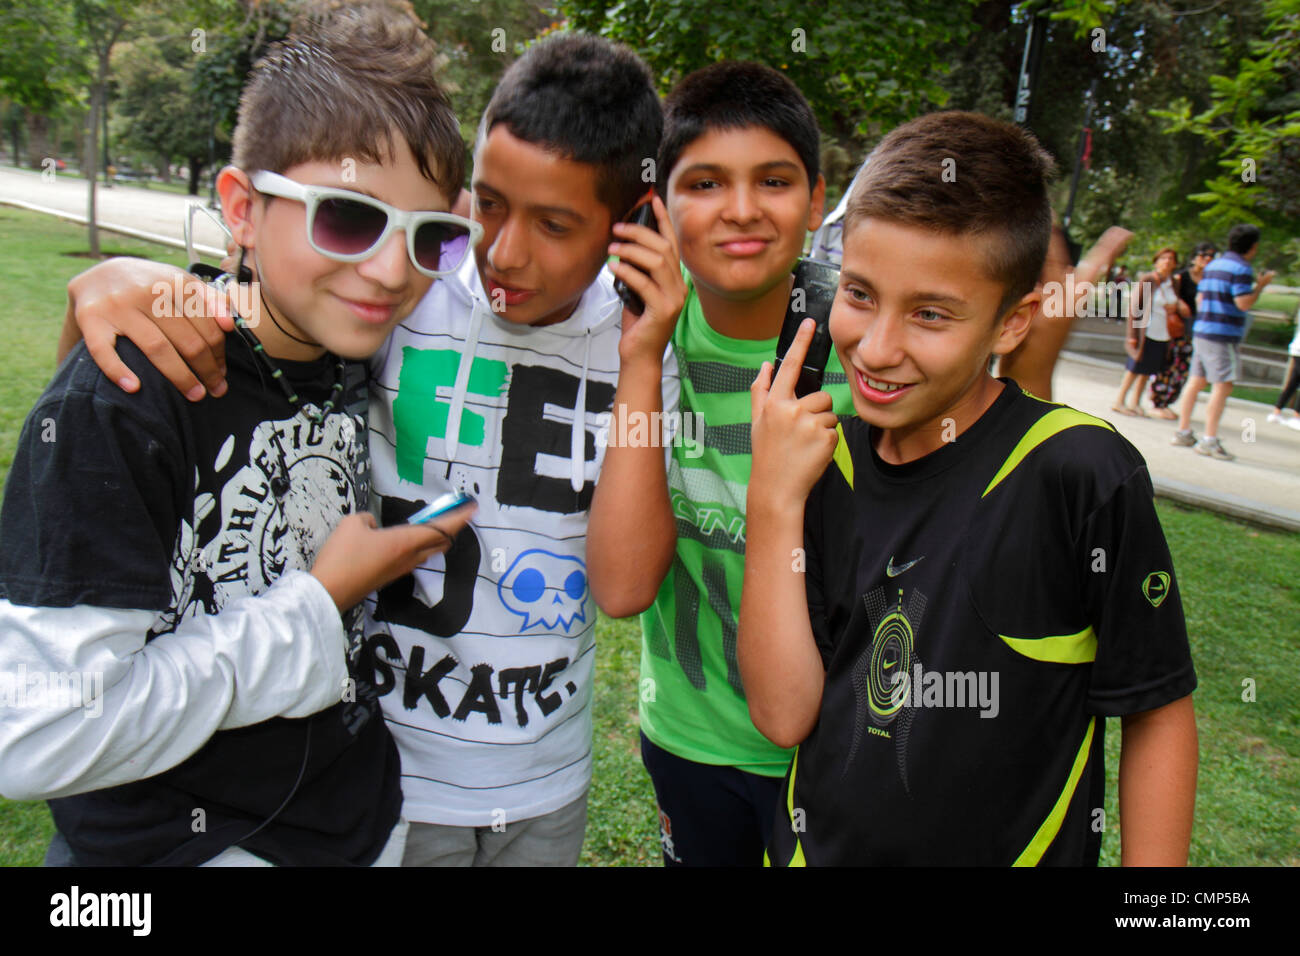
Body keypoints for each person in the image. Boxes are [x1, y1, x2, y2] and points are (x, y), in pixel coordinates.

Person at [56, 33, 684, 866]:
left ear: (630, 222)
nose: (502, 251)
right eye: (487, 205)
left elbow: (627, 584)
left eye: (555, 224)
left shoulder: (641, 347)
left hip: (540, 777)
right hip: (385, 772)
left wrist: (642, 362)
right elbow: (255, 316)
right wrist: (116, 284)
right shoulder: (409, 284)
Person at [0, 9, 476, 866]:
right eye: (347, 218)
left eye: (429, 234)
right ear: (242, 208)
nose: (391, 269)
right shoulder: (130, 398)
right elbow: (39, 735)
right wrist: (315, 603)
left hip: (355, 822)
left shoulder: (350, 342)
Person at [741, 111, 1198, 866]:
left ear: (1012, 323)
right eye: (858, 294)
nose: (877, 347)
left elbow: (1156, 707)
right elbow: (784, 714)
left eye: (929, 313)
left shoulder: (1079, 473)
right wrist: (773, 500)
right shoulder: (824, 459)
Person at [588, 62, 850, 867]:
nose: (741, 210)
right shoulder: (623, 336)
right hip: (693, 742)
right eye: (704, 183)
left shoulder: (871, 351)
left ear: (815, 199)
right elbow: (625, 588)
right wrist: (644, 355)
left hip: (845, 743)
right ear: (660, 207)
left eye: (773, 180)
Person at [1172, 224, 1277, 460]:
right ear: (1253, 246)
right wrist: (1260, 287)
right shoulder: (1242, 269)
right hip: (1222, 335)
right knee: (1223, 385)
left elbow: (1200, 298)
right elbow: (1243, 304)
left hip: (1202, 329)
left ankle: (1183, 431)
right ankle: (1209, 440)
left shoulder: (1214, 265)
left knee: (1196, 381)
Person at [1112, 247, 1187, 417]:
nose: (1166, 262)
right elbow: (1135, 308)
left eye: (1170, 259)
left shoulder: (1174, 283)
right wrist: (1132, 335)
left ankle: (1135, 402)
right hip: (1145, 332)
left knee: (1147, 370)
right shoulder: (1148, 280)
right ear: (1156, 261)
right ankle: (1120, 400)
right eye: (1163, 258)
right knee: (1134, 368)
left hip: (1163, 333)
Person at [1149, 241, 1216, 418]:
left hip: (1198, 329)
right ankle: (1158, 401)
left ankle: (1168, 401)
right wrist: (1179, 303)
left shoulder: (1211, 278)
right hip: (1179, 327)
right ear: (1195, 257)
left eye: (1211, 256)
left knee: (1183, 368)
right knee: (1170, 364)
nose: (1207, 259)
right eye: (1203, 255)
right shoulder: (1182, 277)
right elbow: (1172, 294)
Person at [1267, 303, 1300, 431]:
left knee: (1294, 382)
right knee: (1294, 382)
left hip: (1296, 349)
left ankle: (1277, 411)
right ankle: (1297, 416)